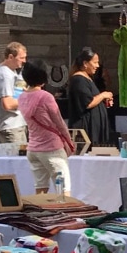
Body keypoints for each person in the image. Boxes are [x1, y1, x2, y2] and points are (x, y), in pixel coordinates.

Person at [18, 62, 75, 194]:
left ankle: (39, 214)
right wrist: (69, 141)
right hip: (51, 149)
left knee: (40, 189)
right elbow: (59, 122)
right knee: (63, 190)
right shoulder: (46, 97)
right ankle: (66, 213)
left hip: (33, 148)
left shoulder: (21, 97)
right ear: (44, 77)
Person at [67, 47, 114, 147]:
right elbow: (87, 103)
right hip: (87, 129)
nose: (97, 66)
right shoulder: (78, 80)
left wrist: (103, 102)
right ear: (85, 63)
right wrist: (103, 95)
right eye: (95, 62)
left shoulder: (87, 79)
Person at [0, 42, 28, 144]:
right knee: (16, 159)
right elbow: (7, 104)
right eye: (21, 58)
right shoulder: (5, 75)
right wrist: (28, 99)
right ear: (11, 57)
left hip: (14, 124)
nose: (24, 61)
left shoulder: (10, 71)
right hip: (11, 126)